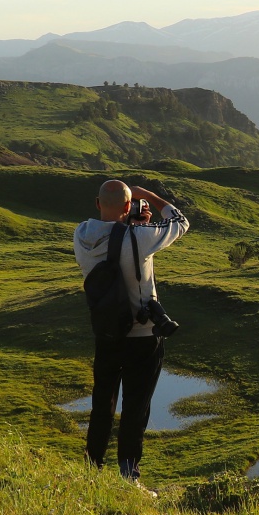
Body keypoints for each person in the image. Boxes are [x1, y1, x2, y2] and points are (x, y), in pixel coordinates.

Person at [73, 179, 190, 480]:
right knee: (135, 407)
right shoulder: (139, 237)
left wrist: (130, 223)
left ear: (98, 204)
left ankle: (91, 470)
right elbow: (180, 222)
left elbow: (113, 239)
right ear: (128, 206)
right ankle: (128, 476)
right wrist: (147, 196)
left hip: (107, 333)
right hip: (143, 336)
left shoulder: (81, 234)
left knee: (102, 404)